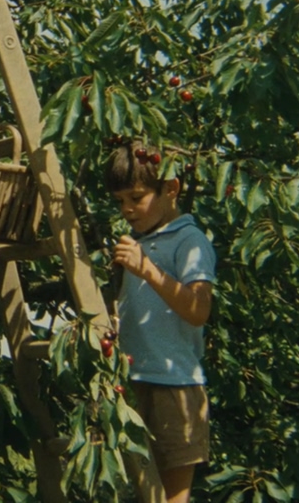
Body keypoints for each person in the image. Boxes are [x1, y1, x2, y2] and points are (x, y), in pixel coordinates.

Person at [105, 141, 216, 503]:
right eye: (120, 200)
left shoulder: (190, 240)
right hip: (132, 381)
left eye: (136, 198)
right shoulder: (139, 242)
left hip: (175, 386)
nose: (127, 209)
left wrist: (147, 269)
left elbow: (199, 309)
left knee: (171, 498)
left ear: (171, 189)